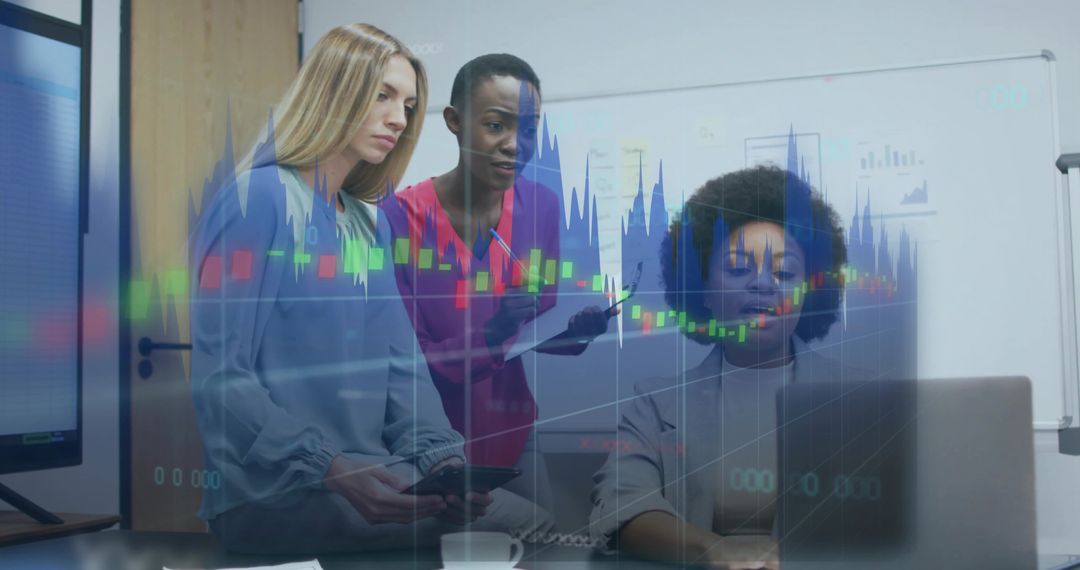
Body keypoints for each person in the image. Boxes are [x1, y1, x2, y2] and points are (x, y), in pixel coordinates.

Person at [189, 24, 550, 554]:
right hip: (271, 495)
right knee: (515, 532)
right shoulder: (256, 200)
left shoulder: (368, 222)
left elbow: (404, 376)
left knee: (534, 521)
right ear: (333, 90)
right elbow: (221, 379)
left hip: (378, 477)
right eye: (382, 95)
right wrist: (330, 467)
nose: (398, 118)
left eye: (407, 104)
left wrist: (445, 465)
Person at [588, 165, 851, 569]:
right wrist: (713, 550)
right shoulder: (655, 405)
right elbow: (623, 508)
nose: (763, 284)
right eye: (739, 268)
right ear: (704, 290)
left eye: (783, 272)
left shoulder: (862, 398)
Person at [381, 54, 610, 515]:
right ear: (454, 122)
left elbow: (537, 328)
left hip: (513, 426)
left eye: (528, 129)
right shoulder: (399, 218)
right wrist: (491, 331)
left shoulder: (541, 206)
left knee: (541, 549)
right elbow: (406, 360)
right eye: (495, 125)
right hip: (428, 440)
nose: (514, 144)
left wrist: (579, 332)